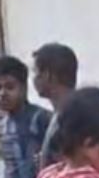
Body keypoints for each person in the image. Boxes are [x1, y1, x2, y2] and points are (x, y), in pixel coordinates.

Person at [32, 42, 78, 171]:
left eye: (35, 72)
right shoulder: (60, 112)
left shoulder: (72, 117)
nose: (33, 79)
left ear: (47, 75)